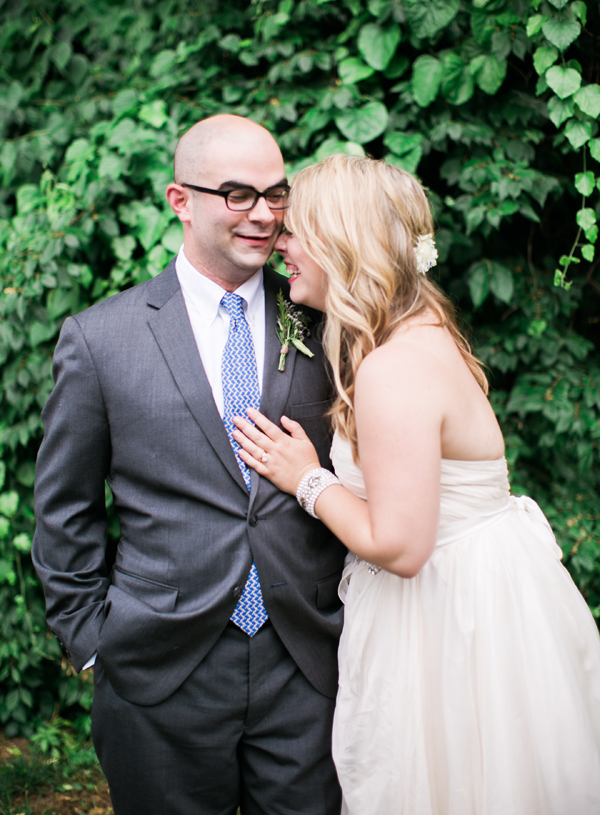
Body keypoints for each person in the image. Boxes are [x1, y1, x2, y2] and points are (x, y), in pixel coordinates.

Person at [233, 153, 600, 815]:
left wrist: (306, 480)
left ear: (342, 243)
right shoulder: (422, 331)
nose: (279, 244)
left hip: (448, 618)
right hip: (486, 598)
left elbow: (400, 547)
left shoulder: (394, 367)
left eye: (296, 232)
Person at [32, 115, 346, 815]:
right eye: (238, 194)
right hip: (158, 670)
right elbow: (64, 510)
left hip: (303, 659)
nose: (264, 215)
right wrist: (94, 645)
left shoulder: (324, 323)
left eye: (276, 193)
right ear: (181, 200)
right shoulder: (100, 338)